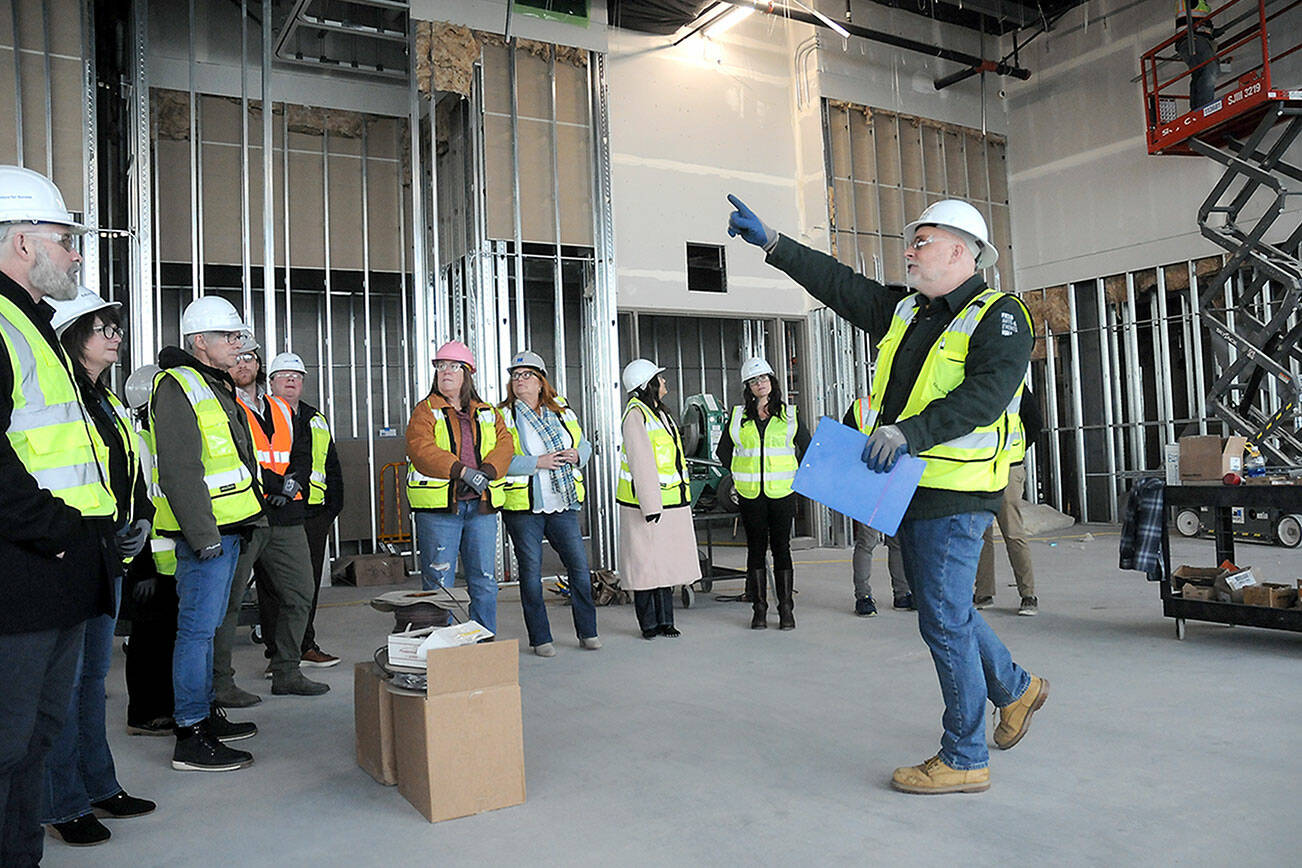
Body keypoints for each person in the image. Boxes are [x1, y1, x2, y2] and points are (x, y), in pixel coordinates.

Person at [728, 193, 1048, 795]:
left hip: (956, 490)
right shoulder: (910, 312)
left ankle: (965, 755)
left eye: (921, 241)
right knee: (945, 609)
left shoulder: (1000, 316)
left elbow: (985, 396)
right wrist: (774, 243)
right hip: (908, 488)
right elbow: (841, 286)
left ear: (961, 250)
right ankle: (1016, 687)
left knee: (943, 620)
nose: (910, 249)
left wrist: (909, 432)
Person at [0, 165, 117, 865]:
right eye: (65, 239)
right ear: (20, 243)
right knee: (9, 744)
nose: (76, 254)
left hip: (61, 571)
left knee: (37, 737)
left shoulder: (29, 324)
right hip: (26, 574)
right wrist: (66, 532)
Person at [40, 289, 156, 846]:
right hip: (66, 553)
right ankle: (62, 803)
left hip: (106, 552)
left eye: (116, 326)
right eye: (102, 327)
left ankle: (98, 784)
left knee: (90, 680)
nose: (115, 335)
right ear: (71, 333)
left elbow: (126, 468)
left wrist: (140, 517)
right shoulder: (58, 398)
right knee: (62, 687)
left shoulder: (105, 401)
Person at [151, 295, 264, 772]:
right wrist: (204, 537)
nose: (237, 343)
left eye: (238, 335)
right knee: (196, 634)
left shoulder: (212, 383)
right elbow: (179, 470)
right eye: (228, 336)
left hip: (231, 529)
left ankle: (204, 716)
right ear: (200, 342)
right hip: (209, 537)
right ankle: (191, 733)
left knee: (208, 628)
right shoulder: (179, 385)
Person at [212, 347, 327, 701]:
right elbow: (231, 453)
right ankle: (220, 682)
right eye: (238, 356)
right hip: (247, 516)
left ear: (260, 365)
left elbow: (302, 450)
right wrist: (272, 486)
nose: (244, 363)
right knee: (228, 602)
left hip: (287, 516)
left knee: (300, 593)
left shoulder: (279, 407)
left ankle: (287, 670)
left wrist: (293, 482)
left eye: (251, 356)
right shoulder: (223, 404)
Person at [406, 341, 513, 634]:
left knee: (484, 579)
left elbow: (505, 444)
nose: (445, 372)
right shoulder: (425, 411)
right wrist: (463, 472)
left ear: (467, 374)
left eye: (453, 366)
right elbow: (420, 449)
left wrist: (488, 473)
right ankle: (443, 648)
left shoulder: (488, 411)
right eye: (440, 366)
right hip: (441, 510)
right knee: (439, 583)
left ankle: (483, 641)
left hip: (480, 507)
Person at [499, 350, 601, 656]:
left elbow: (583, 443)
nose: (519, 381)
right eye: (515, 376)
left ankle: (588, 632)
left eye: (526, 375)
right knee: (530, 573)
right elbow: (498, 460)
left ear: (541, 382)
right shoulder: (502, 415)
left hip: (563, 503)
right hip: (524, 509)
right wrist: (536, 462)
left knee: (579, 569)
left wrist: (577, 455)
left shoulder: (563, 411)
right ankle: (541, 638)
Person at [256, 351, 343, 670]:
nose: (292, 381)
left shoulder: (314, 418)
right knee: (270, 587)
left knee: (306, 586)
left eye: (297, 376)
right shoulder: (260, 414)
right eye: (285, 376)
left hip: (313, 514)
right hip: (273, 512)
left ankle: (305, 644)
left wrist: (333, 508)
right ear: (272, 382)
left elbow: (331, 464)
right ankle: (276, 653)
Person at [715, 356, 809, 630]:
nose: (760, 384)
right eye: (754, 381)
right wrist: (739, 470)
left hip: (781, 494)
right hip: (750, 494)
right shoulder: (737, 417)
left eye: (764, 379)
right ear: (748, 387)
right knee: (755, 550)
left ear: (772, 382)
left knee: (782, 548)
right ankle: (759, 610)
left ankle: (786, 610)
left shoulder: (790, 415)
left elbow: (807, 447)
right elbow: (723, 452)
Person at [616, 359, 701, 639]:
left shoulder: (660, 413)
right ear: (648, 385)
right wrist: (651, 506)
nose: (664, 383)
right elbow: (641, 463)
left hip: (670, 502)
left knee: (664, 566)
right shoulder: (635, 415)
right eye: (659, 379)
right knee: (645, 568)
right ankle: (649, 624)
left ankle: (666, 621)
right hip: (647, 506)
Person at [120, 363, 180, 737]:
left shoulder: (161, 437)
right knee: (147, 644)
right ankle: (143, 713)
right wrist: (142, 570)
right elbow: (135, 507)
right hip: (151, 563)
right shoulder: (138, 441)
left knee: (166, 641)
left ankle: (165, 707)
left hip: (173, 560)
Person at [975, 384, 1042, 615]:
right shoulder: (975, 382)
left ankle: (1028, 594)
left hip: (1008, 468)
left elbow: (1034, 424)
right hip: (979, 468)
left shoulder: (1016, 387)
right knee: (980, 535)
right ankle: (983, 592)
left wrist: (1018, 450)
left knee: (1012, 531)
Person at [843, 396, 912, 615]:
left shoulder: (909, 402)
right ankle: (863, 596)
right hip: (869, 481)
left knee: (897, 541)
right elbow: (846, 443)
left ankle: (902, 594)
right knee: (867, 540)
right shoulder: (861, 408)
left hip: (896, 480)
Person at [1174, 0, 1216, 111]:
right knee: (1209, 69)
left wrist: (1211, 32)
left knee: (1199, 73)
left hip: (1193, 40)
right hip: (1193, 40)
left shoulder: (1200, 3)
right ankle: (1205, 108)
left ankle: (1197, 109)